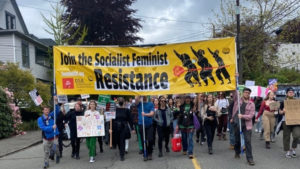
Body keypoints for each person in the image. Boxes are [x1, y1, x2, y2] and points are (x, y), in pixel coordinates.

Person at [230, 88, 255, 166]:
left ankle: (250, 158)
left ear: (249, 94)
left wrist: (242, 116)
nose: (246, 94)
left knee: (248, 141)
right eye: (245, 92)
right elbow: (234, 92)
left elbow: (251, 116)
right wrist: (235, 78)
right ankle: (237, 152)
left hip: (247, 125)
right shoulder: (238, 100)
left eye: (248, 93)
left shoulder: (252, 104)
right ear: (243, 93)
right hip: (237, 123)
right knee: (237, 140)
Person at [37, 100, 61, 169]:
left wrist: (56, 102)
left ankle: (58, 155)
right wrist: (51, 127)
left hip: (54, 136)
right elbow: (43, 128)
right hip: (46, 138)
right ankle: (46, 163)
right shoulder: (40, 119)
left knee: (55, 149)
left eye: (48, 110)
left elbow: (57, 111)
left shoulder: (52, 115)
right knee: (46, 151)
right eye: (45, 110)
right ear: (43, 111)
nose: (47, 111)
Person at [279, 88, 300, 158]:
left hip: (296, 122)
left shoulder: (297, 102)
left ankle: (293, 149)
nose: (291, 93)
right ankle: (288, 151)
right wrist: (283, 111)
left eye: (292, 92)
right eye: (289, 92)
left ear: (294, 93)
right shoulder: (283, 102)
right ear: (287, 93)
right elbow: (280, 112)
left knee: (297, 135)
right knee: (286, 137)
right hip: (286, 121)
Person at [135, 96, 155, 161]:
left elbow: (152, 114)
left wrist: (145, 114)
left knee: (150, 139)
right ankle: (145, 154)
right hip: (141, 124)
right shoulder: (139, 104)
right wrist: (138, 94)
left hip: (149, 125)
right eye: (142, 96)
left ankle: (150, 152)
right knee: (143, 140)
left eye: (145, 95)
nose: (144, 97)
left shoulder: (151, 104)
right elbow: (136, 99)